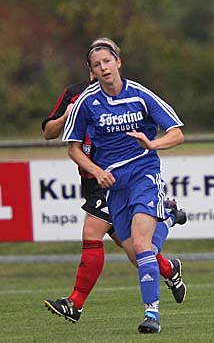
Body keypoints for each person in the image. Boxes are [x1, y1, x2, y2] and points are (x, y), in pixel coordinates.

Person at [41, 54, 188, 326]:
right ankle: (168, 245)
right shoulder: (77, 96)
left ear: (117, 62)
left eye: (107, 61)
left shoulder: (136, 94)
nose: (102, 67)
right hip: (98, 181)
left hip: (129, 175)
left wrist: (151, 144)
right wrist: (67, 115)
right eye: (96, 64)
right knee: (136, 250)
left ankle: (80, 303)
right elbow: (50, 133)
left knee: (99, 234)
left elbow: (177, 131)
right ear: (90, 69)